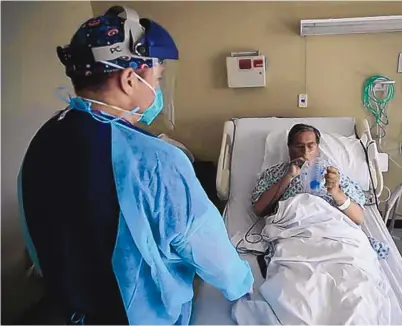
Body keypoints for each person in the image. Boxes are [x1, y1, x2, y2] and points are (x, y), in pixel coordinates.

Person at [18, 6, 253, 325]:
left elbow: (36, 234)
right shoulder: (156, 160)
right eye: (156, 79)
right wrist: (243, 284)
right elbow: (207, 249)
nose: (157, 90)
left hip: (71, 310)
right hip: (139, 316)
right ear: (130, 80)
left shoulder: (44, 139)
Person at [252, 124, 366, 225]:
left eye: (310, 146)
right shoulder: (275, 173)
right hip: (293, 230)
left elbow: (359, 218)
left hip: (332, 228)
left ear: (317, 148)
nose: (305, 152)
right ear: (289, 148)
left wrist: (336, 193)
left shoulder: (333, 173)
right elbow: (259, 210)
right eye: (299, 147)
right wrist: (288, 177)